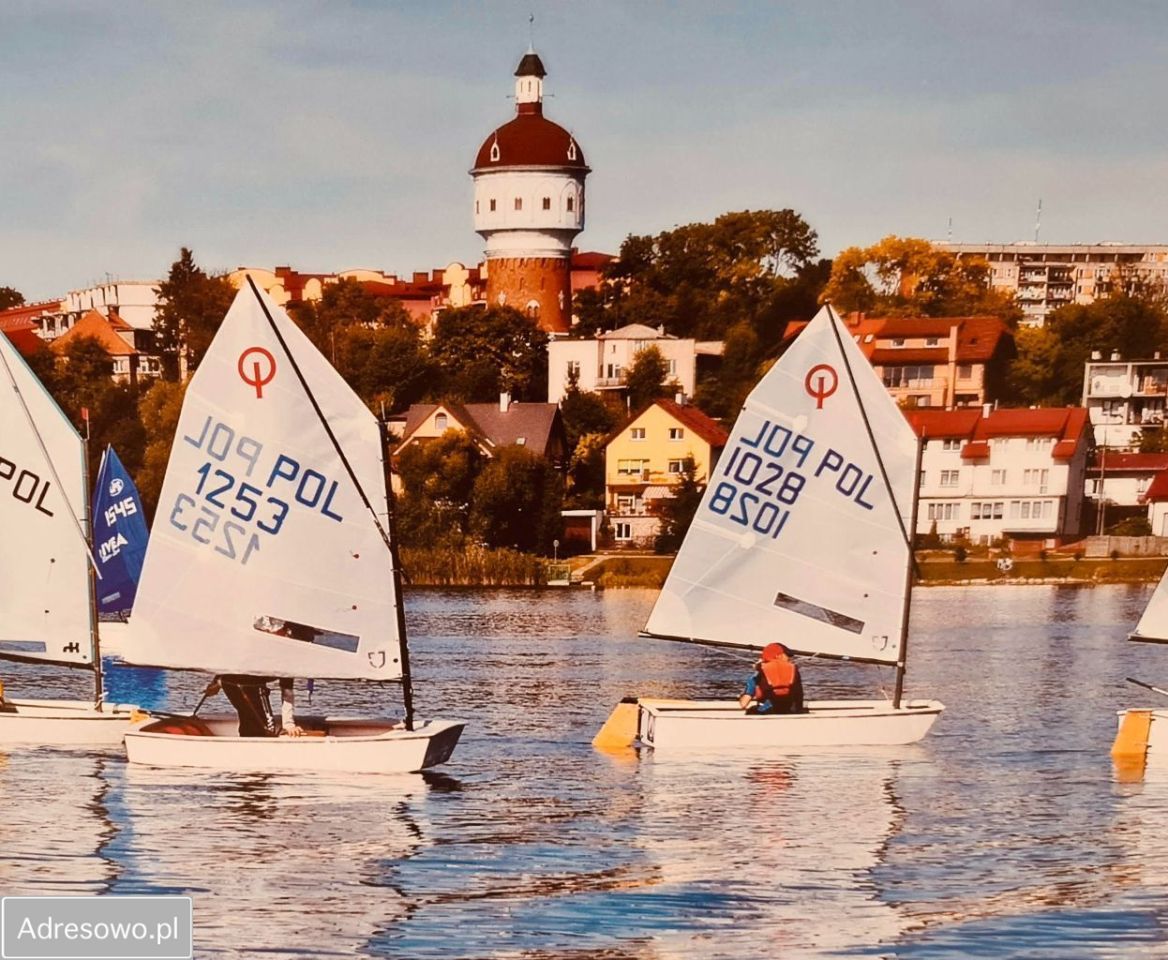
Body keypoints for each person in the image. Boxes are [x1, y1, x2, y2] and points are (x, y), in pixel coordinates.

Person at [211, 676, 304, 737]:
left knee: (251, 723)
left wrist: (288, 725)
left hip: (232, 681)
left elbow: (287, 690)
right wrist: (216, 682)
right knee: (259, 727)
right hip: (232, 682)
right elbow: (287, 690)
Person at [738, 642, 804, 715]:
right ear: (778, 656)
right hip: (789, 712)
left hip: (767, 711)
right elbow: (799, 698)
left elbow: (743, 704)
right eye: (787, 655)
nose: (789, 658)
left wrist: (741, 696)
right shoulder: (793, 670)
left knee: (751, 711)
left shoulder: (759, 673)